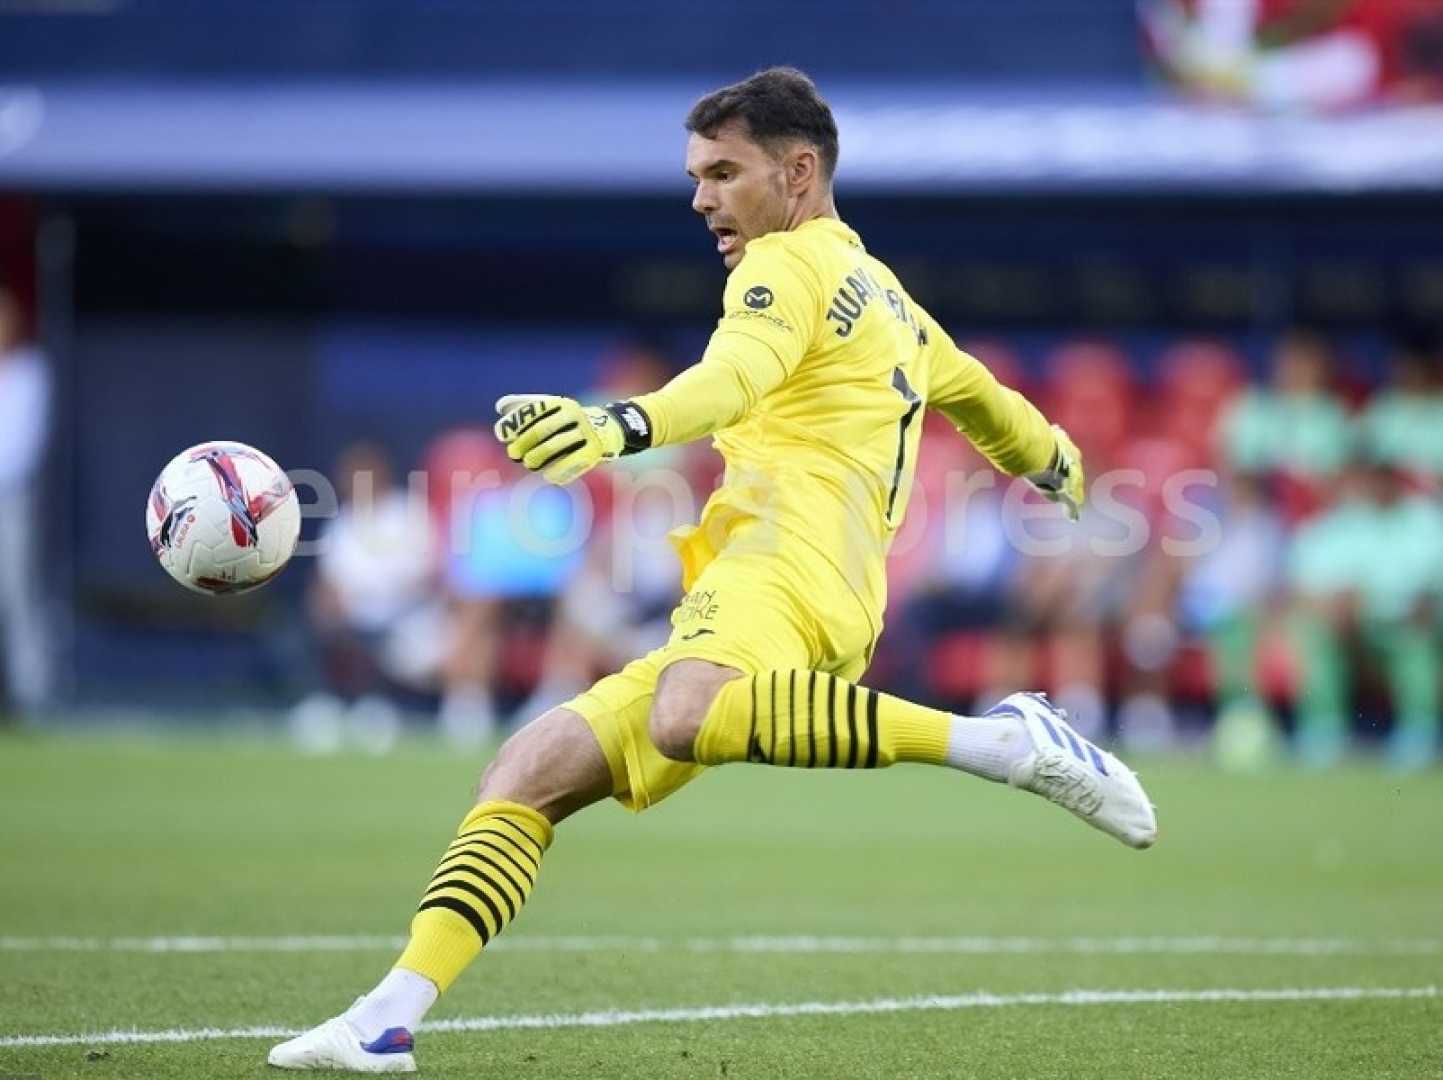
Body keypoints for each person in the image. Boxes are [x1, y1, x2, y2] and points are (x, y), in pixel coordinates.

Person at [269, 67, 1157, 1073]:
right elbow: (988, 402)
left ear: (799, 171)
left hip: (785, 562)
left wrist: (621, 423)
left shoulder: (783, 269)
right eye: (696, 175)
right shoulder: (893, 302)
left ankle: (1003, 743)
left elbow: (733, 377)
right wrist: (1060, 464)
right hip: (787, 581)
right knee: (525, 773)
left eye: (724, 172)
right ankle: (388, 1017)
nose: (701, 198)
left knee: (687, 712)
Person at [0, 285, 51, 717]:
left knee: (18, 597)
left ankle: (33, 698)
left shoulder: (30, 371)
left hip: (10, 501)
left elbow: (18, 449)